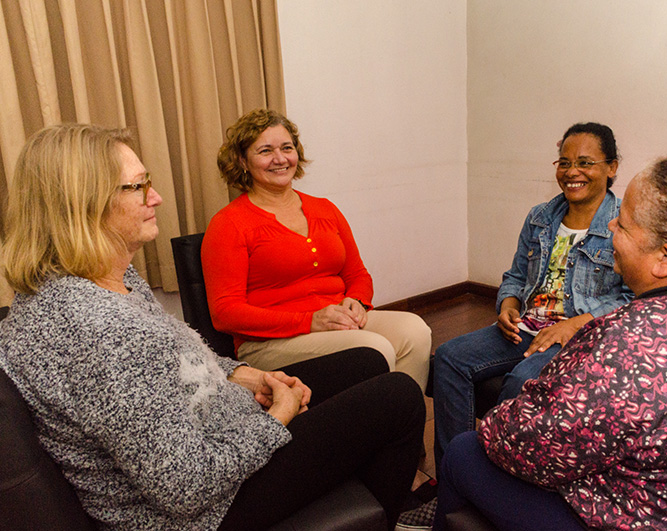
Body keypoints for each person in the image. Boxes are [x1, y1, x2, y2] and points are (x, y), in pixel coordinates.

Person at [0, 124, 426, 530]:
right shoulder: (102, 331)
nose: (158, 197)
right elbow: (186, 488)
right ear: (83, 204)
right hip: (205, 512)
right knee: (399, 398)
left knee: (367, 362)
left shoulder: (106, 278)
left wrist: (244, 375)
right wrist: (277, 417)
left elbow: (180, 358)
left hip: (214, 425)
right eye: (139, 186)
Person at [434, 157, 667, 530]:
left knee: (464, 453)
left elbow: (529, 448)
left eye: (622, 224)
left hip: (645, 518)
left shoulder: (633, 344)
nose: (609, 225)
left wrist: (496, 422)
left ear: (664, 259)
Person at [432, 123, 634, 467]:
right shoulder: (540, 218)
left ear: (612, 167)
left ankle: (492, 474)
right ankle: (454, 470)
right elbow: (515, 276)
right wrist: (508, 304)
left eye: (585, 163)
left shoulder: (623, 225)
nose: (572, 172)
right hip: (526, 327)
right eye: (564, 162)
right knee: (449, 357)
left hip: (578, 339)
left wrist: (576, 324)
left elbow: (632, 299)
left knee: (524, 380)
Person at [202, 109, 431, 391]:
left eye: (287, 148)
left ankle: (400, 428)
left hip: (336, 321)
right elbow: (225, 313)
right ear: (242, 161)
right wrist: (309, 321)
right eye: (265, 151)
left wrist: (357, 303)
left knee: (415, 331)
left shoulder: (325, 208)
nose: (280, 159)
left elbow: (357, 274)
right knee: (374, 348)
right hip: (270, 342)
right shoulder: (228, 224)